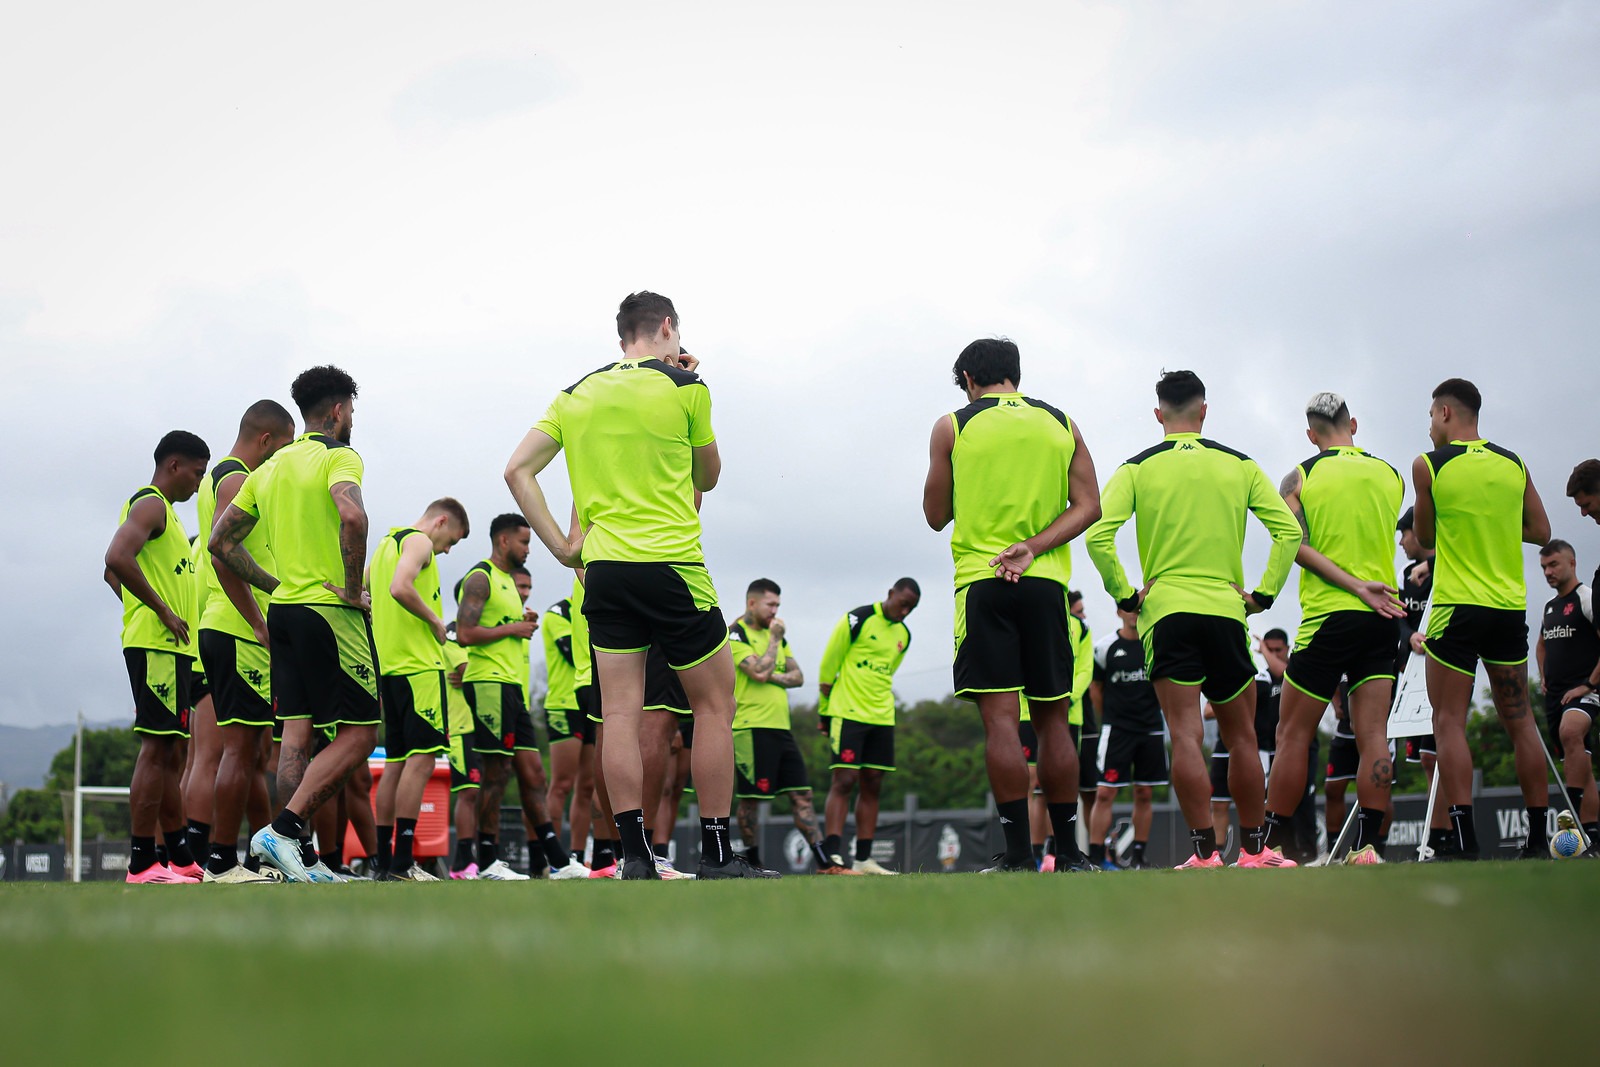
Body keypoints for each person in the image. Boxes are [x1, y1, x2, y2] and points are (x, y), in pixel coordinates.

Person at [504, 291, 768, 878]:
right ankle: (719, 853)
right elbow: (710, 477)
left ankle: (632, 857)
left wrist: (562, 546)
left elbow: (516, 470)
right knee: (714, 706)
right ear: (667, 328)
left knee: (619, 715)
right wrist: (688, 386)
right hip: (673, 566)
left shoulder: (575, 393)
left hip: (605, 573)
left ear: (622, 336)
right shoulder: (686, 387)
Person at [1086, 370, 1302, 869]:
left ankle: (1204, 854)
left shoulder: (1136, 467)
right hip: (1227, 613)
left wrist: (1127, 595)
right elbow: (1288, 534)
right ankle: (1254, 851)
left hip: (1167, 616)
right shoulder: (1240, 464)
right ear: (1204, 411)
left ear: (1158, 414)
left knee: (1184, 735)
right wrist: (1262, 595)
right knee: (1243, 736)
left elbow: (1099, 537)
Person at [922, 337, 1101, 873]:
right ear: (1014, 376)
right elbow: (1089, 506)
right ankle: (1069, 854)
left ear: (971, 380)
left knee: (1002, 725)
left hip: (982, 583)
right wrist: (1034, 547)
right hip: (1046, 585)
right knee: (1053, 723)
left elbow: (935, 514)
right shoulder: (1061, 423)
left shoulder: (953, 425)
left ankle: (1018, 855)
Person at [210, 365, 380, 883]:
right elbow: (352, 516)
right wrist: (353, 590)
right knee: (360, 732)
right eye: (351, 409)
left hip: (284, 612)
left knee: (297, 735)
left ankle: (291, 856)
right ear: (337, 411)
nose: (351, 418)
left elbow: (221, 543)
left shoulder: (271, 467)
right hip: (329, 612)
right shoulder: (339, 455)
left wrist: (273, 586)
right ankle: (282, 831)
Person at [1263, 393, 1407, 865]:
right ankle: (1368, 848)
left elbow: (1295, 545)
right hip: (1383, 616)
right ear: (1354, 424)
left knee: (1292, 736)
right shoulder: (1391, 474)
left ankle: (1268, 848)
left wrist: (1351, 585)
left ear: (1311, 435)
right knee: (1373, 737)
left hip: (1329, 616)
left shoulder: (1299, 476)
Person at [1412, 378, 1552, 859]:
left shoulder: (1430, 464)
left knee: (1448, 721)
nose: (1430, 425)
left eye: (1431, 416)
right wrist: (1493, 521)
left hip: (1456, 609)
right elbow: (1541, 530)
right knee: (1522, 722)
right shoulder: (1513, 462)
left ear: (1446, 413)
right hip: (1508, 607)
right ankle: (1536, 841)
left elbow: (1424, 536)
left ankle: (1466, 842)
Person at [196, 401, 296, 883]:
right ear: (265, 441)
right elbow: (220, 555)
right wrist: (260, 621)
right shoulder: (237, 478)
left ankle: (260, 856)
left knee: (254, 752)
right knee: (238, 751)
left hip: (229, 626)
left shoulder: (221, 477)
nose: (283, 460)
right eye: (283, 448)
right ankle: (219, 861)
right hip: (237, 630)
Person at [106, 430, 210, 883]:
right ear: (174, 466)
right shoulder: (150, 503)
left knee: (171, 752)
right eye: (197, 473)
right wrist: (159, 612)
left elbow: (113, 573)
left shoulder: (162, 513)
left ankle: (181, 857)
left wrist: (141, 607)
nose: (197, 483)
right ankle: (141, 861)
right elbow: (115, 558)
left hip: (172, 649)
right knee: (156, 749)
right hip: (158, 647)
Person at [456, 514, 584, 880]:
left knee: (534, 776)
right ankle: (486, 861)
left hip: (513, 689)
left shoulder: (509, 584)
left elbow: (496, 627)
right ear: (503, 542)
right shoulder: (480, 577)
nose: (529, 549)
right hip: (489, 685)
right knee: (496, 774)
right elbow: (465, 632)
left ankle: (557, 861)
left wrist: (520, 621)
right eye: (524, 542)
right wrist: (514, 627)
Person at [369, 499, 470, 880]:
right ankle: (402, 863)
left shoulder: (384, 545)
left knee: (395, 762)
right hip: (419, 669)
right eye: (451, 542)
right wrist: (434, 620)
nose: (446, 550)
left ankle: (384, 863)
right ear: (441, 521)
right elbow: (399, 588)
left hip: (390, 669)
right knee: (422, 759)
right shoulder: (419, 542)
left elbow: (364, 592)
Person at [728, 579, 849, 874]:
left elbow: (798, 677)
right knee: (752, 801)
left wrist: (769, 668)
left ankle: (824, 862)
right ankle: (753, 863)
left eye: (778, 605)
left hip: (781, 727)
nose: (775, 611)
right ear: (752, 603)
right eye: (770, 604)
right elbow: (757, 672)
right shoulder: (735, 634)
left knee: (802, 794)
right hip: (750, 726)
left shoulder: (778, 637)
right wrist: (772, 644)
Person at [817, 579, 920, 874]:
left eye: (911, 608)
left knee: (873, 782)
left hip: (882, 716)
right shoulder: (857, 619)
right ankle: (833, 855)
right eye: (903, 603)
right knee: (844, 780)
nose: (905, 611)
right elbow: (828, 667)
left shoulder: (904, 635)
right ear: (890, 594)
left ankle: (864, 859)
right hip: (847, 712)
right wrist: (825, 713)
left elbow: (889, 672)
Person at [1088, 604, 1166, 870]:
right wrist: (1109, 718)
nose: (1134, 614)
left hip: (1151, 728)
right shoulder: (1104, 647)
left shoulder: (1154, 644)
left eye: (1138, 609)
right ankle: (1096, 856)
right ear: (1119, 613)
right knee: (1104, 794)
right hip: (1117, 730)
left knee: (1144, 793)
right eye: (1128, 609)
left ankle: (1139, 856)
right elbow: (1095, 688)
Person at [1536, 540, 1600, 845]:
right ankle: (1590, 833)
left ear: (1572, 563)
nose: (1548, 572)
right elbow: (1541, 644)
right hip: (1556, 696)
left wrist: (1589, 684)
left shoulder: (1587, 598)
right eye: (1544, 567)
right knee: (1578, 758)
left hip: (1586, 692)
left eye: (1554, 565)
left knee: (1571, 731)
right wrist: (1543, 676)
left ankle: (1570, 813)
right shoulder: (1550, 606)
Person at [1395, 507, 1449, 851]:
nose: (1401, 542)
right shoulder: (1405, 573)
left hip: (1446, 668)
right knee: (1425, 762)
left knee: (1438, 754)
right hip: (1412, 676)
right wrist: (1410, 635)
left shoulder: (1447, 564)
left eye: (1404, 533)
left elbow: (1458, 560)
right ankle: (1437, 834)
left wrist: (1432, 564)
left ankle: (1447, 835)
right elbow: (1400, 618)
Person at [442, 629, 482, 877]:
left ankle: (464, 862)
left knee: (475, 792)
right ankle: (463, 862)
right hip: (459, 728)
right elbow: (468, 670)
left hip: (474, 725)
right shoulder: (453, 635)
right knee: (467, 791)